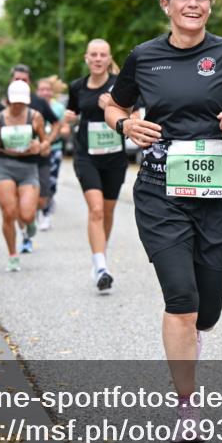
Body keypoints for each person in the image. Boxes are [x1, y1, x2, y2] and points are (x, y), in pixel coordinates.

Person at [105, 0, 222, 441]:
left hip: (218, 195)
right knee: (181, 299)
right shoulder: (144, 57)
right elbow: (113, 104)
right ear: (166, 5)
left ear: (210, 6)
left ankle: (195, 329)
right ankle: (187, 407)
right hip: (160, 193)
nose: (192, 4)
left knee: (207, 311)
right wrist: (125, 125)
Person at [65, 39, 128, 293]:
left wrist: (112, 107)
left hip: (114, 158)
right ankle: (101, 267)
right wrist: (69, 119)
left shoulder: (120, 84)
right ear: (86, 58)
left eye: (103, 54)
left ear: (109, 58)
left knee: (108, 212)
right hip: (86, 156)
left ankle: (100, 254)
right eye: (94, 54)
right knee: (97, 210)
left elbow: (134, 114)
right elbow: (71, 114)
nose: (98, 59)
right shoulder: (76, 87)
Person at [0, 81, 49, 272]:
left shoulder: (35, 117)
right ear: (9, 100)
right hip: (5, 167)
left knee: (27, 214)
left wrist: (39, 147)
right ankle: (12, 255)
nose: (18, 105)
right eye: (15, 101)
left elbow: (46, 145)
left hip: (29, 168)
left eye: (22, 101)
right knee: (8, 213)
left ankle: (30, 224)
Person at [7, 65, 62, 253]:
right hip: (14, 161)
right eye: (17, 79)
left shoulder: (39, 102)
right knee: (19, 202)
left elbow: (56, 123)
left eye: (24, 80)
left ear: (29, 82)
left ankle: (31, 219)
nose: (20, 82)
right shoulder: (5, 103)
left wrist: (47, 142)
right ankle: (25, 236)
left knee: (42, 201)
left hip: (39, 159)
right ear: (11, 81)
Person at [35, 77, 67, 231]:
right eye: (42, 89)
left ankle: (46, 213)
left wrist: (61, 132)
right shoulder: (33, 106)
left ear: (52, 92)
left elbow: (64, 127)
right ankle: (39, 209)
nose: (45, 92)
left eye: (48, 89)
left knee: (50, 181)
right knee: (37, 182)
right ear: (37, 91)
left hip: (54, 148)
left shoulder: (58, 108)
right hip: (36, 150)